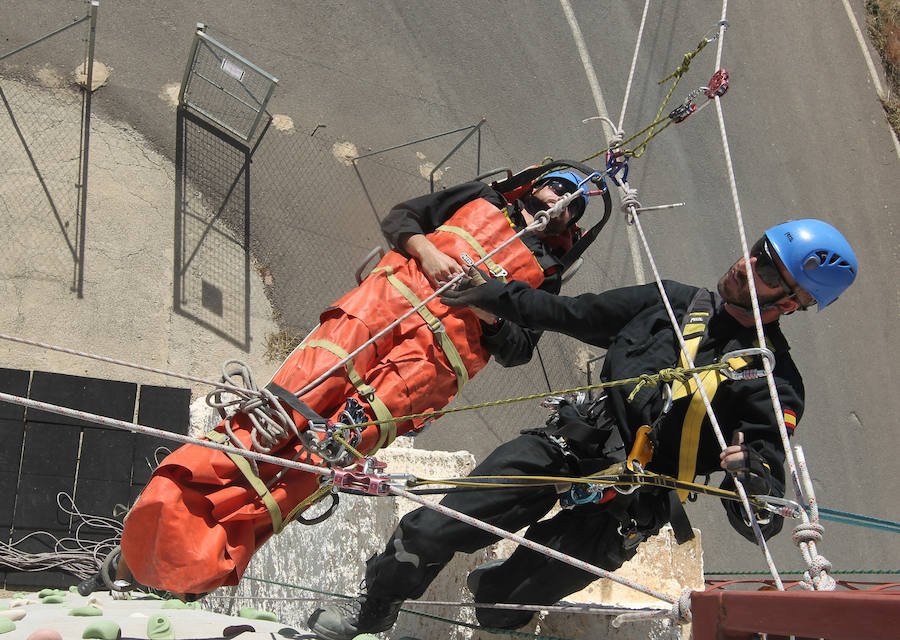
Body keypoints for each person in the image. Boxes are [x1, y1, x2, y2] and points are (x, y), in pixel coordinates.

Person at [307, 219, 857, 639]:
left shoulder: (774, 383)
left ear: (793, 302)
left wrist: (752, 485)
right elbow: (568, 313)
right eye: (755, 251)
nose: (743, 265)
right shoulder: (669, 303)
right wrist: (488, 295)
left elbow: (762, 513)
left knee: (505, 604)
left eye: (763, 272)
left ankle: (494, 588)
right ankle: (371, 610)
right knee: (433, 528)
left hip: (629, 502)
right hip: (572, 444)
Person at [113, 167, 604, 597]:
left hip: (421, 370)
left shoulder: (548, 272)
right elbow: (403, 218)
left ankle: (200, 559)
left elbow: (519, 349)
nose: (557, 202)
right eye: (555, 188)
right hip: (376, 313)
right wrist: (429, 253)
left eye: (569, 203)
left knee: (317, 458)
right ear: (535, 184)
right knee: (276, 417)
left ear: (573, 223)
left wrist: (481, 305)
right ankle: (161, 518)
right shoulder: (483, 198)